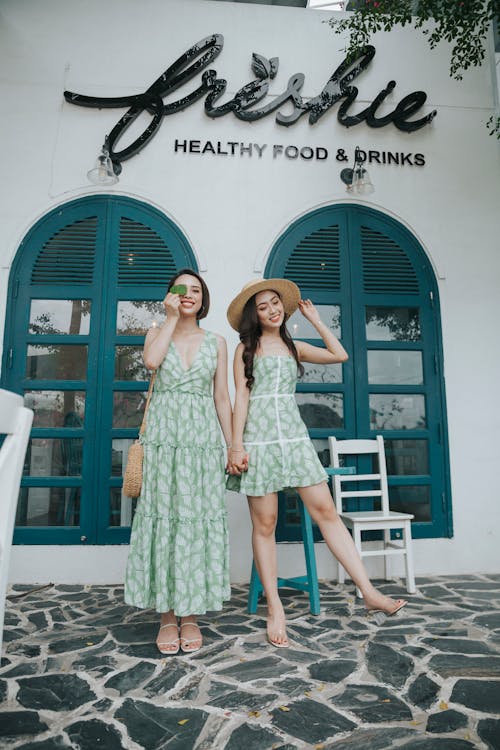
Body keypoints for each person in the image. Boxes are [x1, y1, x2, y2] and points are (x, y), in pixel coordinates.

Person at [226, 278, 407, 648]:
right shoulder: (245, 348)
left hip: (294, 440)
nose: (272, 310)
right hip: (258, 443)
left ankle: (369, 592)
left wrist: (317, 320)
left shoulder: (295, 348)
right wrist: (235, 446)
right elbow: (240, 400)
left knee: (327, 512)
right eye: (263, 306)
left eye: (276, 303)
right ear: (254, 315)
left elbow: (339, 355)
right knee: (266, 524)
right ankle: (275, 607)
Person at [125, 269, 233, 654]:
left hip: (202, 443)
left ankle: (191, 614)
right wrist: (169, 318)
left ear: (204, 301)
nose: (189, 294)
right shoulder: (157, 333)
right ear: (169, 295)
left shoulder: (217, 342)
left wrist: (233, 443)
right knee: (165, 520)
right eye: (181, 289)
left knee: (194, 522)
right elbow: (152, 362)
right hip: (163, 441)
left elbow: (222, 398)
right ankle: (167, 615)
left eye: (197, 290)